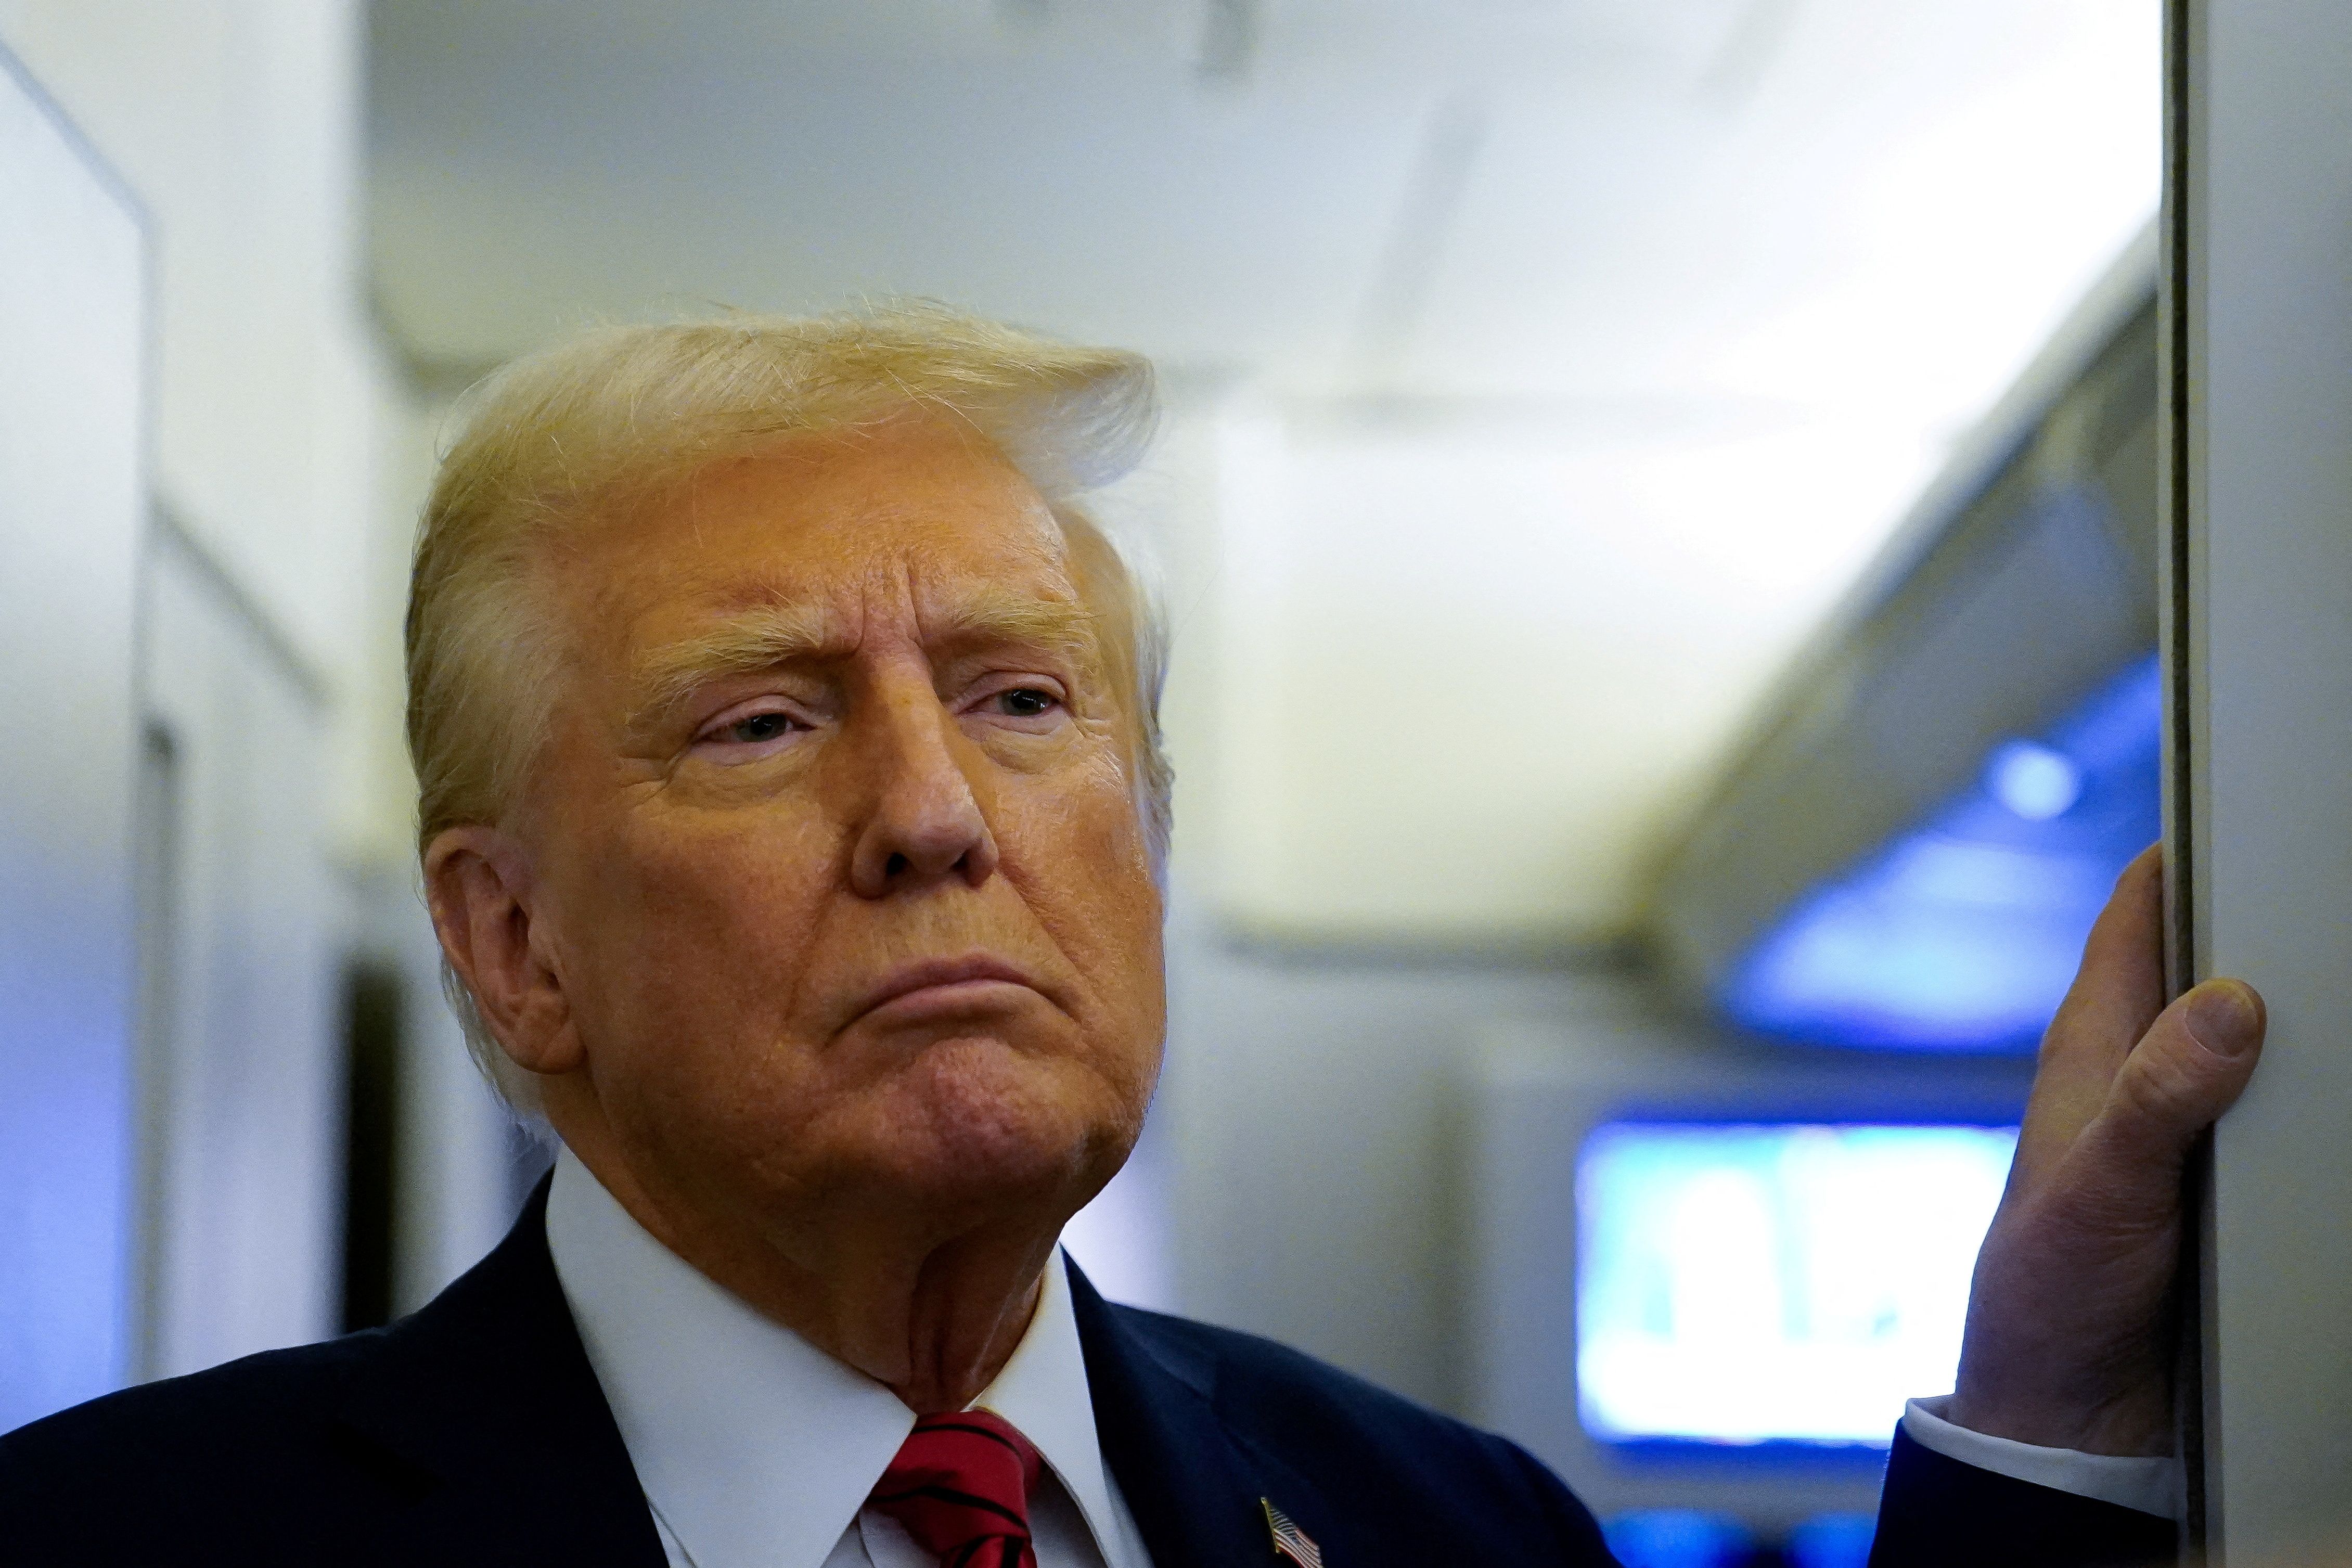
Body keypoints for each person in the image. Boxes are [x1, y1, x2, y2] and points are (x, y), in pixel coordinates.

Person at [0, 307, 2267, 1567]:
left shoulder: (1450, 1537)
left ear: (1149, 834)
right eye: (768, 721)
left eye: (1018, 701)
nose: (931, 816)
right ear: (513, 947)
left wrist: (2046, 1408)